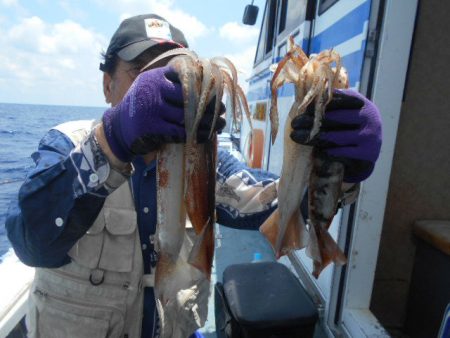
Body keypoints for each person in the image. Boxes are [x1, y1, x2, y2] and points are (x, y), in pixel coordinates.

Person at [5, 13, 382, 338]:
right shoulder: (67, 143)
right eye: (140, 71)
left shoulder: (206, 157)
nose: (161, 86)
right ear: (108, 84)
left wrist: (337, 172)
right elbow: (31, 241)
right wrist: (113, 139)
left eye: (169, 73)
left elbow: (260, 203)